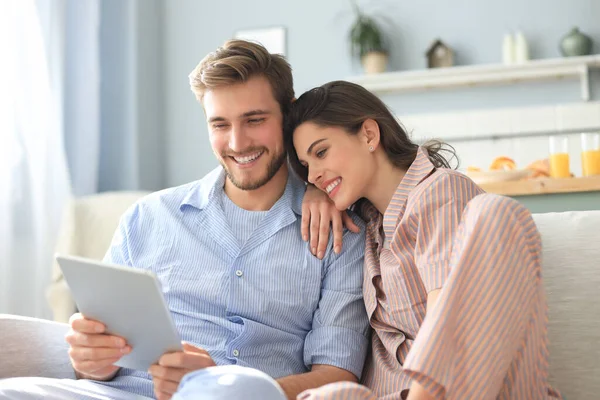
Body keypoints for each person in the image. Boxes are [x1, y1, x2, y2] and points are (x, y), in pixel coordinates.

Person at [0, 42, 370, 400]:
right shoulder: (148, 217)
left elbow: (337, 375)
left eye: (254, 120)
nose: (238, 143)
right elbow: (95, 364)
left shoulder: (341, 233)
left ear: (288, 115)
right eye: (220, 125)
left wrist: (229, 388)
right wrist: (91, 362)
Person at [283, 81, 561, 400]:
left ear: (369, 135)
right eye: (306, 166)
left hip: (450, 392)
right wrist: (313, 191)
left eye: (321, 152)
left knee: (494, 210)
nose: (313, 174)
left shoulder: (441, 194)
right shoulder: (368, 225)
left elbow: (455, 327)